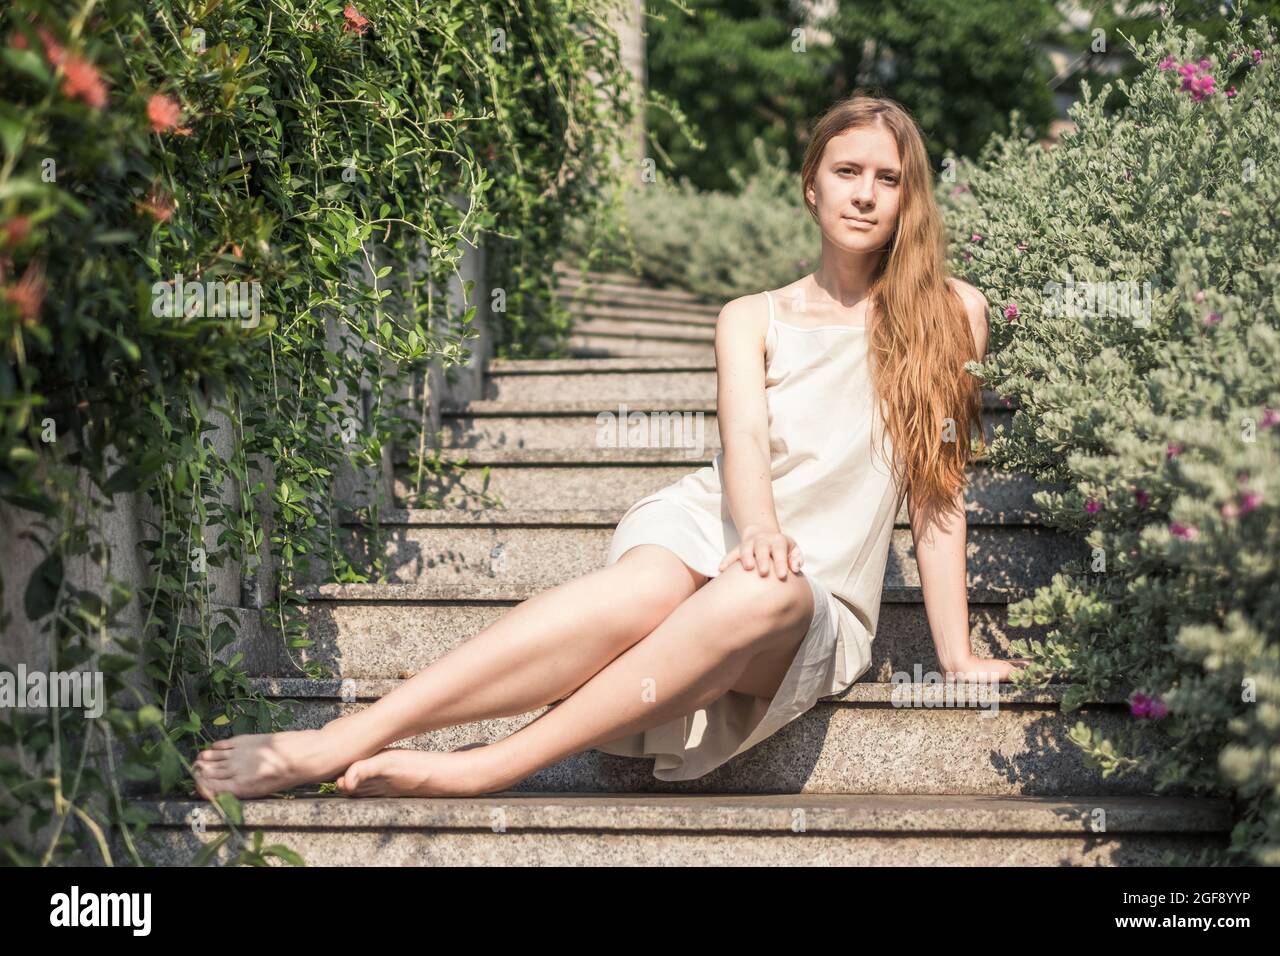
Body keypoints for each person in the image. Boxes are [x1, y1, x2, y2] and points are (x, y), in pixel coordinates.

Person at [191, 94, 1029, 801]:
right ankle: (345, 736)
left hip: (811, 599)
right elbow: (741, 438)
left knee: (765, 595)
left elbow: (937, 492)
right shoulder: (751, 316)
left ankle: (490, 766)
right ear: (811, 186)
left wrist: (952, 654)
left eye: (888, 179)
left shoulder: (952, 314)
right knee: (648, 592)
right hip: (716, 527)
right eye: (848, 172)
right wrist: (762, 527)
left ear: (909, 198)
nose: (866, 195)